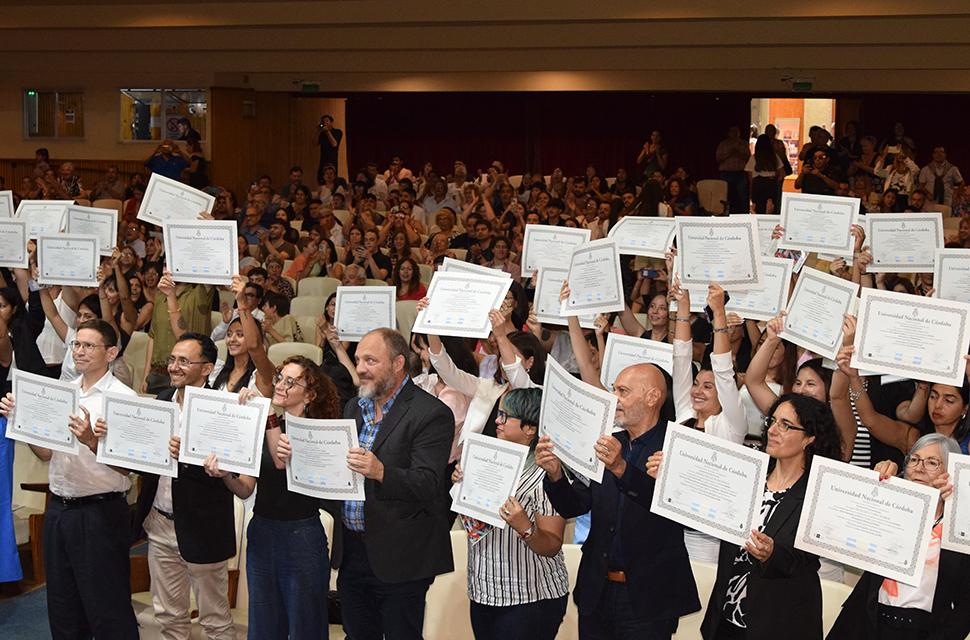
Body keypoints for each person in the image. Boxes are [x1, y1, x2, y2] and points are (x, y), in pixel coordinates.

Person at [537, 363, 701, 639]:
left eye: (622, 391)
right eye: (613, 389)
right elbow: (574, 506)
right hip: (597, 591)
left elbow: (681, 515)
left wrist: (621, 469)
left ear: (652, 397)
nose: (614, 398)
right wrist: (555, 475)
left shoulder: (681, 448)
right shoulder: (607, 441)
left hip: (648, 600)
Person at [660, 394, 843, 640]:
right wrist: (670, 474)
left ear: (809, 438)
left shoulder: (819, 492)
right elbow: (703, 501)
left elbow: (806, 558)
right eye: (773, 421)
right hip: (726, 618)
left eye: (786, 425)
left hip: (779, 623)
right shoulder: (748, 475)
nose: (773, 431)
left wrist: (772, 554)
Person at [1, 320, 139, 638]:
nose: (79, 351)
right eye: (77, 344)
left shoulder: (123, 397)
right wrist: (20, 420)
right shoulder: (61, 392)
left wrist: (92, 441)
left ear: (112, 352)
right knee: (62, 605)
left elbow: (129, 468)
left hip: (100, 511)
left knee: (107, 607)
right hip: (60, 508)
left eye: (89, 346)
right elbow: (46, 454)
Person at [330, 328, 455, 639]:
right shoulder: (353, 408)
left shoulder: (432, 413)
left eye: (371, 360)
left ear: (398, 363)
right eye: (358, 359)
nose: (360, 368)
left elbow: (429, 483)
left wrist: (382, 471)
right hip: (353, 551)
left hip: (402, 556)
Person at [130, 333, 240, 640]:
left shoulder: (223, 408)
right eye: (172, 359)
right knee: (168, 617)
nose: (174, 367)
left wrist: (190, 455)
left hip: (202, 527)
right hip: (160, 523)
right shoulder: (162, 400)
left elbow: (231, 468)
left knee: (214, 620)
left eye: (184, 361)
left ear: (206, 369)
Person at [226, 356, 340, 640]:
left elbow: (281, 461)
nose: (281, 386)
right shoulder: (267, 425)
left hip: (301, 536)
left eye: (292, 382)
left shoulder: (315, 432)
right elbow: (246, 488)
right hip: (262, 530)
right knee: (263, 626)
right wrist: (225, 474)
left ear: (310, 394)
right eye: (280, 378)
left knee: (305, 626)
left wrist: (264, 412)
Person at [451, 387, 569, 640]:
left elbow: (551, 545)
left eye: (506, 416)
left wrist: (525, 528)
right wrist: (461, 486)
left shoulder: (548, 474)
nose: (497, 420)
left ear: (530, 429)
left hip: (530, 597)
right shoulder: (486, 460)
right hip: (484, 591)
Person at [827, 434, 970, 640]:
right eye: (914, 459)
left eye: (932, 462)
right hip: (867, 621)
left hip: (924, 630)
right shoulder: (891, 506)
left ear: (951, 472)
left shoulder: (959, 527)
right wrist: (877, 482)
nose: (919, 468)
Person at [716, 126, 751, 214]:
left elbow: (748, 158)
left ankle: (743, 215)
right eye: (732, 132)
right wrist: (730, 153)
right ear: (728, 133)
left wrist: (738, 152)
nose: (734, 134)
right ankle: (725, 214)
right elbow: (718, 159)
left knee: (742, 196)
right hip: (726, 174)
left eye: (736, 132)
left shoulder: (743, 143)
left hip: (740, 173)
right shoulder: (723, 144)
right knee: (725, 195)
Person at [317, 115, 343, 181]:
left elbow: (334, 144)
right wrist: (317, 131)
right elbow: (314, 143)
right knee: (320, 178)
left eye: (327, 121)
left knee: (332, 178)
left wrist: (327, 131)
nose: (325, 123)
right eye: (323, 121)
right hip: (323, 159)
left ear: (331, 122)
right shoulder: (322, 133)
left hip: (332, 159)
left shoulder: (338, 132)